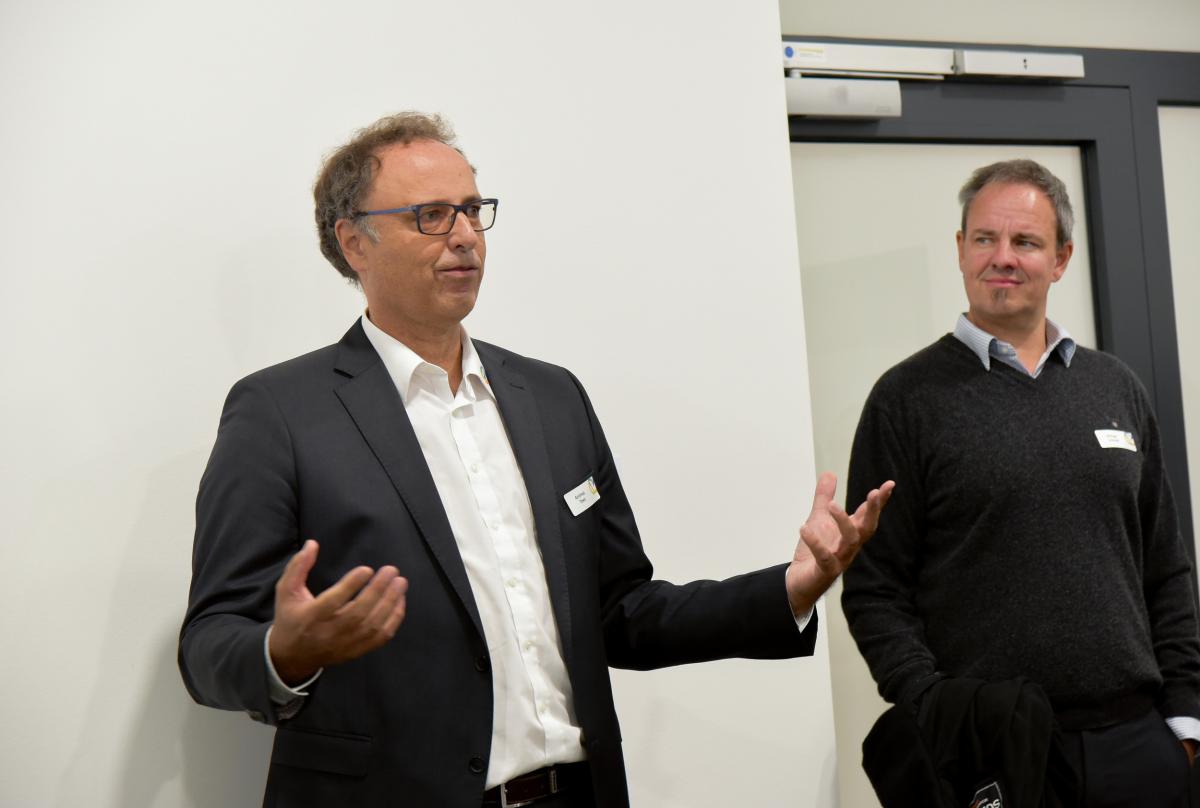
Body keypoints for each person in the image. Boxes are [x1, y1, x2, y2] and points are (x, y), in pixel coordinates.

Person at [178, 111, 893, 808]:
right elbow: (209, 644)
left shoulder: (550, 397)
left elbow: (621, 611)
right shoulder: (281, 412)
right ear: (353, 242)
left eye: (471, 210)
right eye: (431, 216)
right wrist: (286, 652)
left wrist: (791, 589)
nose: (465, 236)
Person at [842, 158, 1200, 807]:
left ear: (1061, 259)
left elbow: (1165, 568)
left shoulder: (1115, 387)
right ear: (960, 249)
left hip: (1136, 746)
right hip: (994, 754)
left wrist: (1184, 721)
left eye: (1025, 241)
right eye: (985, 238)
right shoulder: (905, 400)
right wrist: (930, 704)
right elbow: (874, 587)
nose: (1002, 257)